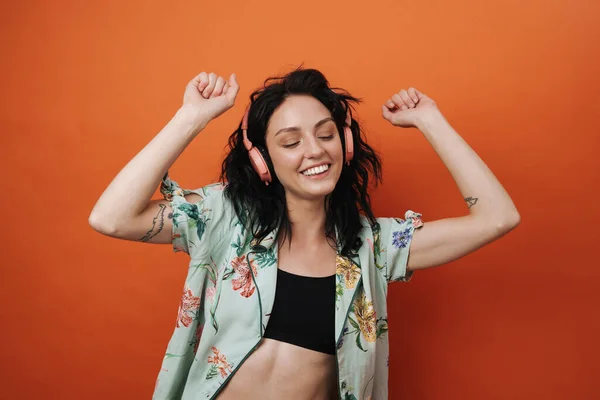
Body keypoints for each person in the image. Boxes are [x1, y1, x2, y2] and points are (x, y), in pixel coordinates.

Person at [89, 67, 520, 400]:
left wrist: (430, 119)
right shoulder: (224, 219)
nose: (314, 150)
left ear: (345, 145)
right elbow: (112, 218)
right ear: (263, 161)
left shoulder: (374, 247)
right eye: (290, 142)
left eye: (326, 134)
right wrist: (192, 117)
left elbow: (496, 217)